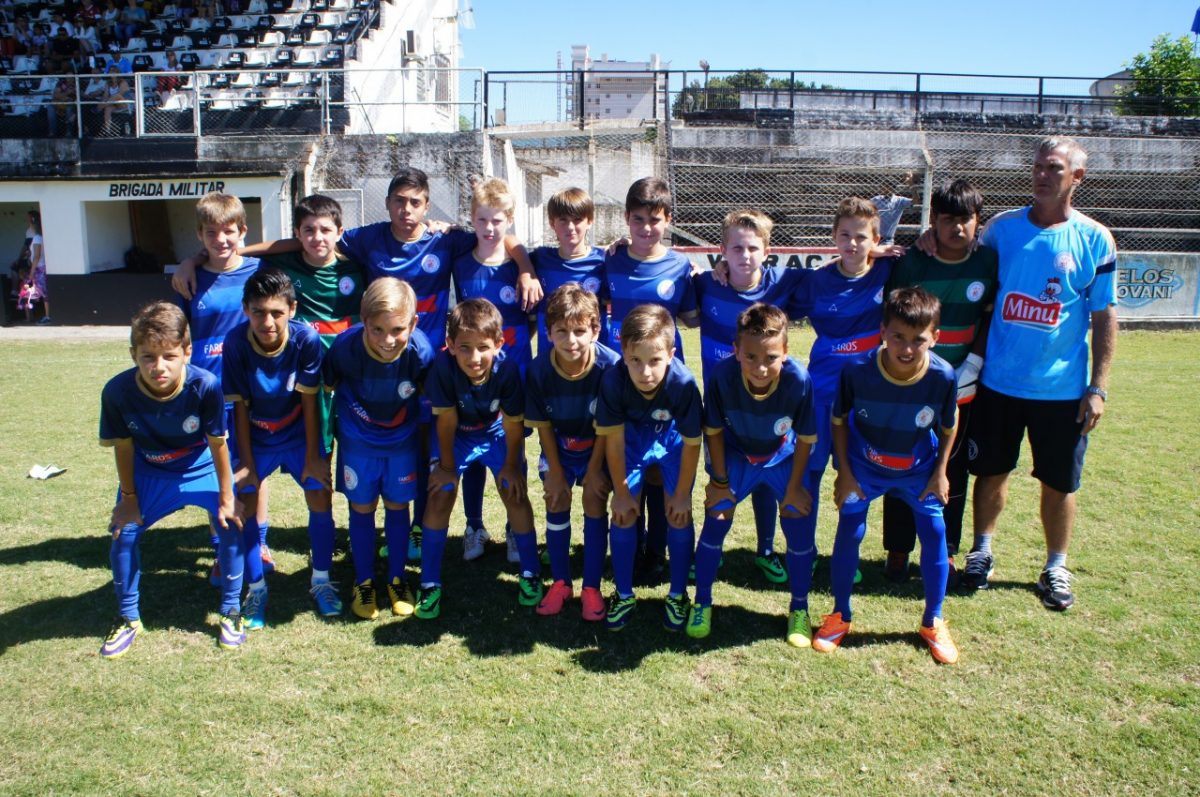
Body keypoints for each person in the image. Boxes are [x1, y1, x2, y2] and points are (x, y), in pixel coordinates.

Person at [172, 167, 544, 563]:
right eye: (399, 201)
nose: (407, 209)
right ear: (387, 205)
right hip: (377, 363)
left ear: (426, 205)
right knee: (370, 437)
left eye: (415, 202)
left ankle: (419, 527)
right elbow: (307, 240)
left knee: (426, 446)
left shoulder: (445, 239)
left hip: (434, 365)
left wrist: (524, 266)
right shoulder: (368, 239)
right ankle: (363, 522)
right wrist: (214, 255)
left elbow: (501, 233)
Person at [948, 137, 1118, 611]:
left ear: (1076, 178)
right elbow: (963, 260)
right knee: (991, 471)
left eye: (1055, 168)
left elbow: (1104, 316)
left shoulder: (1094, 238)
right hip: (999, 382)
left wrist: (1097, 387)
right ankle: (981, 552)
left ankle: (1055, 565)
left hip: (1062, 389)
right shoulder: (1003, 230)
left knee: (1059, 482)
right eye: (1038, 166)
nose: (1042, 175)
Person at [815, 286, 960, 664]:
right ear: (883, 332)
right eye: (898, 336)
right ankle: (839, 614)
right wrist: (844, 472)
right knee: (850, 529)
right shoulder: (857, 371)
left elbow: (948, 425)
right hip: (863, 468)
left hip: (919, 470)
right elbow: (839, 421)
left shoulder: (943, 376)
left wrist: (940, 472)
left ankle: (933, 620)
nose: (907, 348)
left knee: (935, 532)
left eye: (918, 339)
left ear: (935, 338)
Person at [98, 302, 244, 659]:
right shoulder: (116, 392)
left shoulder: (205, 385)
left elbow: (218, 445)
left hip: (198, 466)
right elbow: (123, 448)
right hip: (149, 471)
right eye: (147, 356)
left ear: (187, 352)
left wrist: (227, 496)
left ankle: (231, 609)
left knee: (231, 522)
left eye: (168, 356)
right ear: (133, 354)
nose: (158, 367)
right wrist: (129, 498)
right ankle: (128, 616)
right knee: (124, 532)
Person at [881, 179, 997, 585]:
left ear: (977, 221)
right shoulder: (915, 261)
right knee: (901, 460)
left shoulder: (987, 262)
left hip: (963, 386)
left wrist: (974, 363)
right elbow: (895, 320)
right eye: (947, 220)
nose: (957, 229)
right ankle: (898, 550)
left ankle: (945, 549)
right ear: (933, 221)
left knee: (953, 466)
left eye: (965, 219)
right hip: (911, 381)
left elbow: (987, 317)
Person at [688, 303, 818, 646]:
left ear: (786, 353)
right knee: (716, 516)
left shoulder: (799, 380)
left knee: (797, 519)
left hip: (780, 457)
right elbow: (713, 432)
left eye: (771, 358)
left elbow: (805, 438)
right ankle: (701, 601)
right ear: (736, 351)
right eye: (750, 357)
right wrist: (719, 482)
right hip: (736, 456)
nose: (761, 368)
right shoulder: (721, 376)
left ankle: (800, 608)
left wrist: (795, 487)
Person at [693, 209, 808, 585]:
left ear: (767, 250)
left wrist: (876, 253)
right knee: (719, 478)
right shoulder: (706, 284)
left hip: (766, 404)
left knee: (765, 476)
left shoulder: (784, 283)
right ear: (722, 250)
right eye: (737, 247)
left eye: (753, 247)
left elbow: (835, 274)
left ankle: (765, 549)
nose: (745, 255)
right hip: (723, 409)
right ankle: (710, 552)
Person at [788, 197, 896, 582]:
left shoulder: (889, 271)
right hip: (820, 395)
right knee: (810, 473)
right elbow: (776, 303)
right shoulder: (817, 280)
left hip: (867, 399)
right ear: (834, 237)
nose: (852, 244)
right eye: (845, 235)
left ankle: (845, 556)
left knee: (857, 475)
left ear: (876, 240)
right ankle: (805, 550)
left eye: (862, 237)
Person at [417, 298, 540, 619]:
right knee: (440, 495)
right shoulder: (442, 368)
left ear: (499, 343)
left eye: (483, 347)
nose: (474, 358)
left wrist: (512, 466)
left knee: (514, 492)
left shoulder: (509, 369)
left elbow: (514, 425)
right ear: (450, 345)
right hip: (455, 434)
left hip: (494, 431)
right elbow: (445, 421)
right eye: (465, 348)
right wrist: (445, 467)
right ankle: (429, 583)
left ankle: (530, 573)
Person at [604, 177, 699, 586]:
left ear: (668, 220)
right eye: (638, 219)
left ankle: (656, 552)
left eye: (654, 220)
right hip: (622, 380)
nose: (646, 228)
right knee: (626, 469)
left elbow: (695, 317)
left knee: (661, 471)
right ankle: (633, 543)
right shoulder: (608, 260)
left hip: (661, 383)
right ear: (626, 219)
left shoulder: (680, 267)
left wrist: (715, 275)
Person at [221, 269, 330, 626]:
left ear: (292, 310)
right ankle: (257, 590)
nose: (267, 321)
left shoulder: (306, 341)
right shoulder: (236, 342)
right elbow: (238, 407)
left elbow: (311, 403)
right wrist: (247, 464)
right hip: (256, 437)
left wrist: (314, 458)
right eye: (258, 312)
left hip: (298, 434)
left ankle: (322, 582)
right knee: (246, 501)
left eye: (276, 313)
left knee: (319, 494)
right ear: (245, 310)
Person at [322, 277, 433, 620]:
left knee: (398, 505)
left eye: (397, 329)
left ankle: (397, 579)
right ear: (363, 322)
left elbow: (430, 407)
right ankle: (364, 581)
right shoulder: (344, 348)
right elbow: (325, 393)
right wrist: (324, 448)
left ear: (413, 323)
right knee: (362, 506)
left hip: (402, 442)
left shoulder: (422, 353)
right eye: (377, 330)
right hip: (358, 442)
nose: (388, 340)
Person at [595, 304, 703, 632]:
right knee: (624, 512)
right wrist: (622, 492)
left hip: (671, 442)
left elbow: (692, 442)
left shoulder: (683, 383)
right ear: (623, 354)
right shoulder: (613, 380)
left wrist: (683, 494)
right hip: (632, 440)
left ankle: (678, 594)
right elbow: (613, 440)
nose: (645, 372)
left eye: (655, 361)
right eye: (635, 361)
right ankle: (624, 593)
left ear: (671, 354)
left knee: (679, 512)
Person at [174, 192, 262, 576]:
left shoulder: (258, 272)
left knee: (250, 465)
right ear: (200, 235)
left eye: (229, 231)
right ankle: (220, 547)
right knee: (217, 469)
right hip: (206, 391)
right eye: (212, 233)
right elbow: (179, 337)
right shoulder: (188, 280)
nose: (221, 240)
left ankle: (259, 543)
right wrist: (189, 262)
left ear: (243, 231)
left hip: (249, 389)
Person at [450, 177, 535, 564]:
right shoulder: (461, 261)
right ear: (472, 218)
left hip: (514, 375)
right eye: (482, 220)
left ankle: (515, 529)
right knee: (472, 445)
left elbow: (530, 321)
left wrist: (525, 267)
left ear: (509, 220)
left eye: (497, 221)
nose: (489, 228)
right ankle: (473, 524)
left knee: (512, 449)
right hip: (471, 376)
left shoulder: (521, 266)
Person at [524, 283, 620, 619]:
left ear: (595, 330)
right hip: (559, 450)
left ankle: (591, 587)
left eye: (580, 331)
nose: (571, 340)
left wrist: (595, 472)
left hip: (600, 449)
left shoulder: (612, 369)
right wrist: (556, 471)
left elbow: (609, 429)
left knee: (594, 499)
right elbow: (543, 427)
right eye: (561, 331)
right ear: (548, 332)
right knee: (556, 498)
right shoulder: (538, 371)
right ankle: (562, 582)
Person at [531, 187, 610, 349]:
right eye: (563, 220)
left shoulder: (603, 261)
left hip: (592, 360)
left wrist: (627, 243)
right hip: (550, 360)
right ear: (552, 222)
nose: (571, 227)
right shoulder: (540, 259)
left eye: (577, 220)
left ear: (589, 221)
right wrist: (526, 272)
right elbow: (508, 244)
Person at [870, 172, 916, 245]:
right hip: (873, 237)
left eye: (885, 186)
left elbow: (916, 200)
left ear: (891, 188)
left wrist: (911, 184)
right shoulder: (876, 199)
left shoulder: (899, 200)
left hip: (888, 240)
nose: (882, 188)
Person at [26, 211, 51, 324]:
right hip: (43, 267)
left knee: (45, 293)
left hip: (40, 269)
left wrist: (31, 273)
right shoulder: (41, 237)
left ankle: (48, 316)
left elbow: (36, 256)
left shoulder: (37, 238)